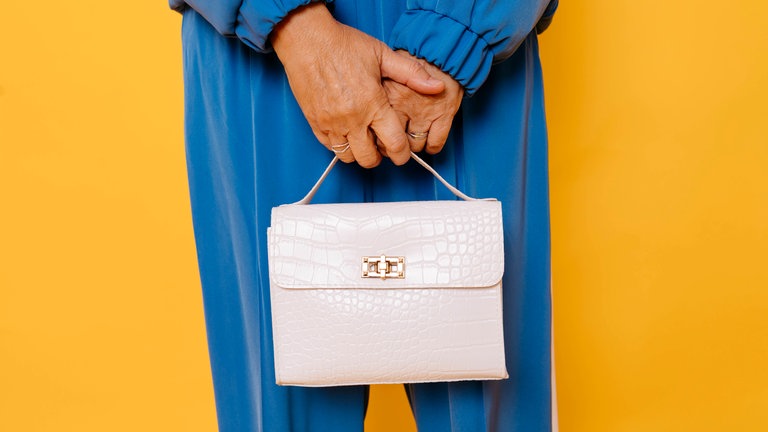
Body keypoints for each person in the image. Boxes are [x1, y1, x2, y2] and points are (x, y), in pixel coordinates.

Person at [170, 0, 559, 430]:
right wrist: (300, 33)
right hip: (266, 55)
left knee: (491, 400)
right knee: (277, 404)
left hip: (465, 67)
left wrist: (455, 38)